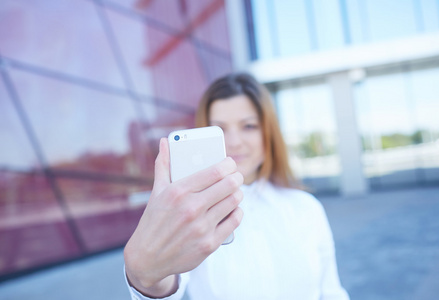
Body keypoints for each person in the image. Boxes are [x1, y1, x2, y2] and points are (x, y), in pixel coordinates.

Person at [124, 73, 349, 300]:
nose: (233, 142)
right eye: (219, 130)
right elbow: (167, 286)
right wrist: (147, 276)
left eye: (249, 126)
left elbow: (332, 293)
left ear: (268, 133)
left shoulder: (306, 208)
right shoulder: (192, 215)